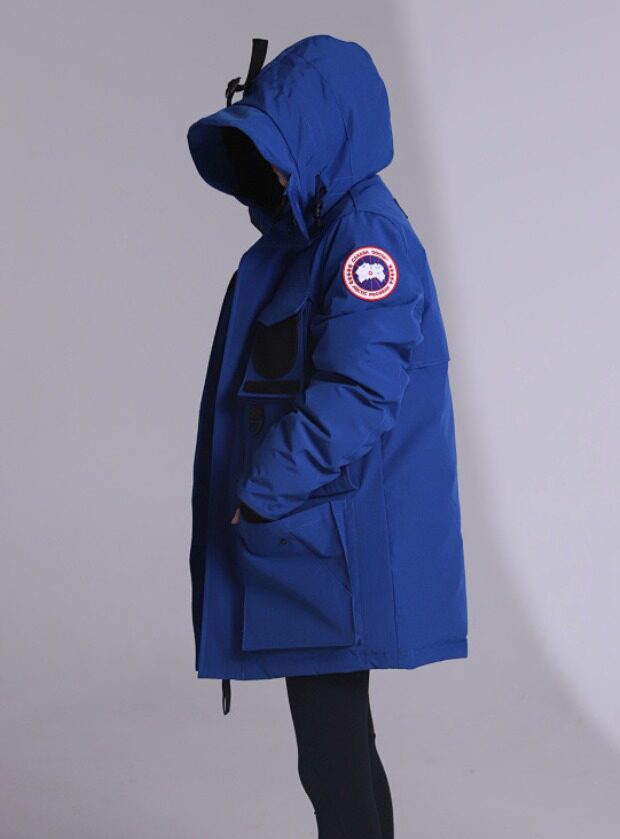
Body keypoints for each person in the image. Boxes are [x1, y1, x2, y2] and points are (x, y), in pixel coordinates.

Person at [186, 35, 468, 839]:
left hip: (327, 534)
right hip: (311, 532)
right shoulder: (311, 235)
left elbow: (359, 391)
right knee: (339, 745)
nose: (271, 175)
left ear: (323, 137)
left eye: (280, 152)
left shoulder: (364, 239)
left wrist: (261, 490)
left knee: (332, 751)